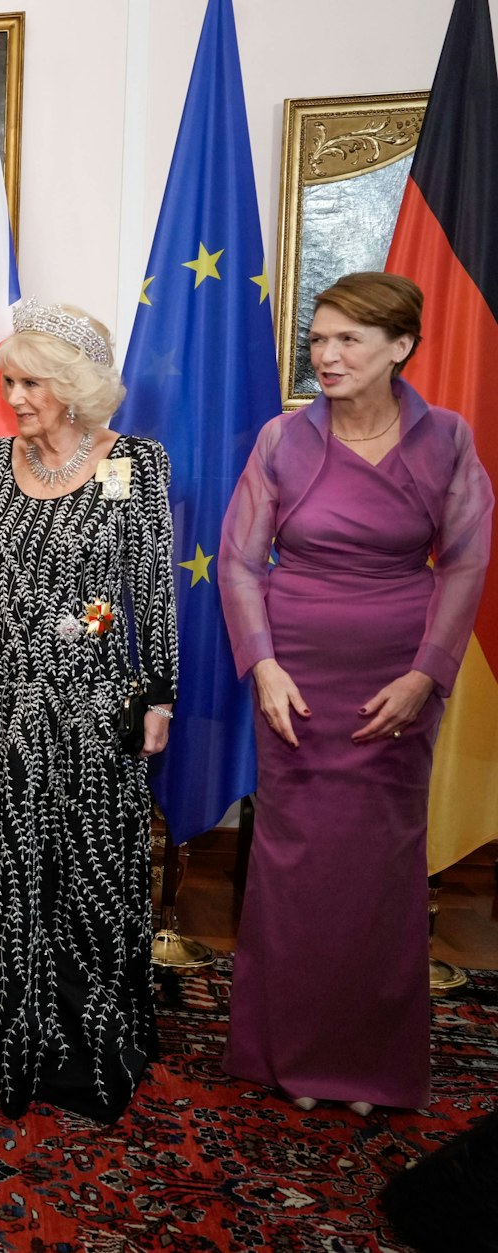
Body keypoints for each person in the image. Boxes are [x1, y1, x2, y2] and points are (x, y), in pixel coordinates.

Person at [0, 298, 178, 1122]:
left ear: (75, 386)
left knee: (70, 868)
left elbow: (143, 591)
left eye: (30, 382)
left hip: (82, 704)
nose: (14, 396)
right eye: (7, 381)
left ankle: (70, 1044)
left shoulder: (137, 465)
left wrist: (157, 691)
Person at [220, 271, 492, 1116]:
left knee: (379, 868)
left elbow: (470, 561)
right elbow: (238, 560)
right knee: (294, 862)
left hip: (398, 680)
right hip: (294, 680)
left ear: (401, 347)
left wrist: (427, 674)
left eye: (348, 341)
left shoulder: (446, 438)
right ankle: (284, 1051)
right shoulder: (280, 440)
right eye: (319, 339)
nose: (327, 356)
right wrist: (262, 663)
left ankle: (371, 1065)